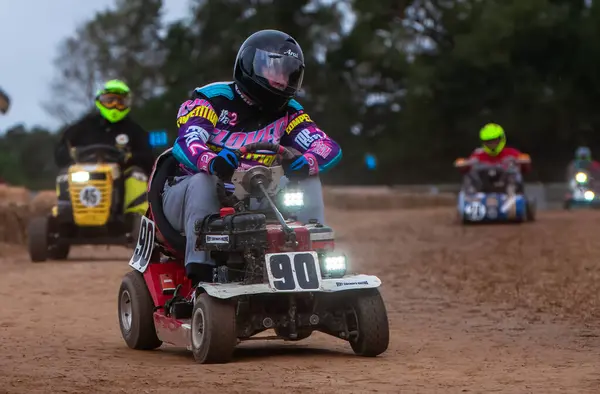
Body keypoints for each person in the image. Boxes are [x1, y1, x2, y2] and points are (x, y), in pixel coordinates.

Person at [160, 29, 342, 285]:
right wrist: (211, 161)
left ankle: (317, 259)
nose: (282, 80)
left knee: (310, 179)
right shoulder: (212, 99)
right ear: (250, 64)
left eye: (289, 73)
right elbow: (187, 141)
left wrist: (308, 162)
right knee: (204, 181)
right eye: (275, 70)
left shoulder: (289, 112)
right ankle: (201, 273)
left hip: (258, 195)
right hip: (190, 196)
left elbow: (326, 146)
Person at [54, 80, 155, 213]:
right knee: (64, 175)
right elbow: (62, 147)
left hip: (120, 176)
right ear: (99, 101)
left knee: (136, 175)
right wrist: (70, 156)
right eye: (109, 100)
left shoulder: (134, 130)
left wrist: (130, 157)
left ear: (127, 104)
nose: (114, 106)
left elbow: (149, 159)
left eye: (120, 101)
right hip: (86, 172)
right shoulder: (84, 126)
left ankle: (136, 216)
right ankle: (65, 214)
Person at [455, 123, 531, 192]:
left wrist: (523, 161)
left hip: (507, 191)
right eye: (488, 142)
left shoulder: (512, 153)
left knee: (516, 174)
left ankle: (518, 198)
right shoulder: (478, 154)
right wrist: (464, 165)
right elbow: (466, 166)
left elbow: (525, 168)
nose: (492, 144)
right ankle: (469, 198)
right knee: (469, 175)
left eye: (495, 141)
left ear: (501, 139)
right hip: (482, 190)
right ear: (483, 142)